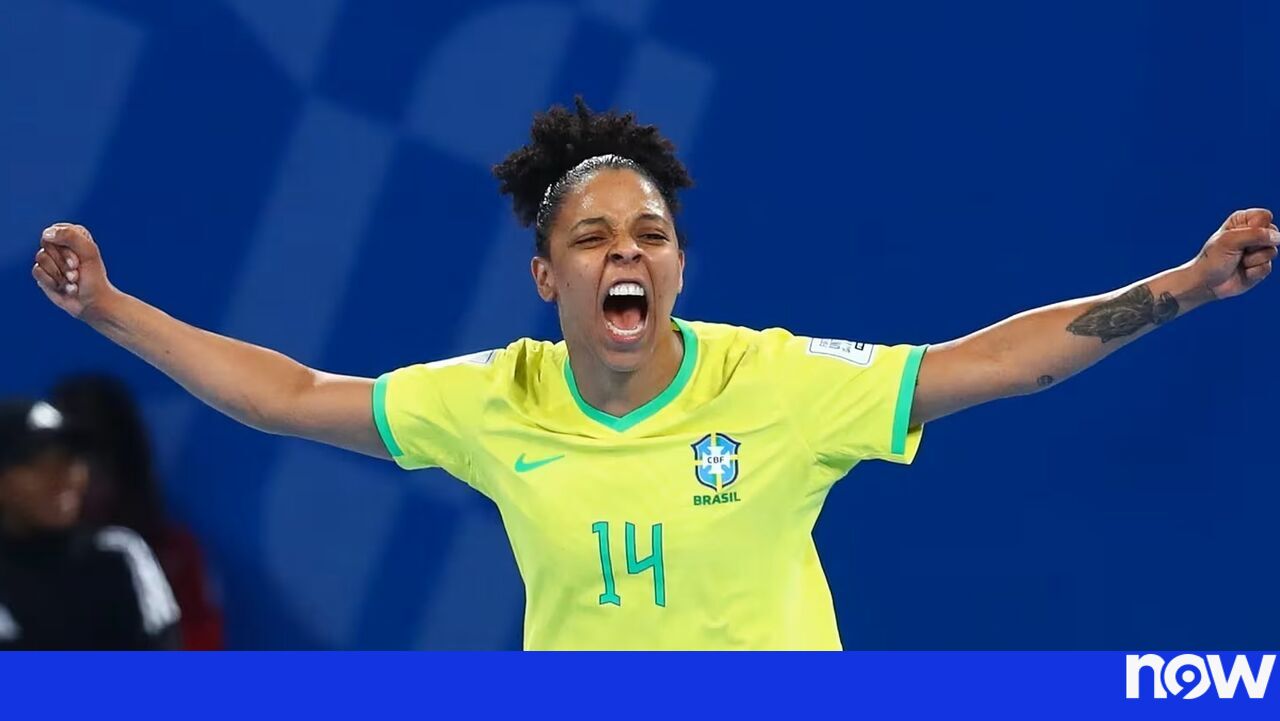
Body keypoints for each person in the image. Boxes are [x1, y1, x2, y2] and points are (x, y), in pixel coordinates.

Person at [29, 98, 1277, 650]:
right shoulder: (493, 399)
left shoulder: (780, 382)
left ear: (677, 264)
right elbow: (289, 396)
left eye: (650, 234)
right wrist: (112, 309)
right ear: (546, 277)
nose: (625, 252)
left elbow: (998, 364)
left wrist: (1181, 284)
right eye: (592, 238)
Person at [50, 373, 225, 650]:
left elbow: (201, 645)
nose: (79, 481)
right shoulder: (18, 556)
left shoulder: (173, 555)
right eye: (62, 463)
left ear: (125, 467)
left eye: (96, 463)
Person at [0, 398, 180, 650]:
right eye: (37, 464)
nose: (62, 478)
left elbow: (167, 668)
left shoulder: (118, 555)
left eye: (69, 460)